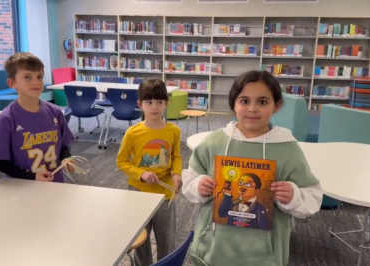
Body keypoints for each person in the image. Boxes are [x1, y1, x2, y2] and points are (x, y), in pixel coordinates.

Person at [181, 70, 323, 266]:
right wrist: (198, 186)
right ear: (234, 104)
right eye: (244, 101)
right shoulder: (215, 142)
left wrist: (293, 196)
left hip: (264, 257)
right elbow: (190, 177)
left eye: (262, 102)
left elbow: (313, 195)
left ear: (277, 106)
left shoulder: (287, 148)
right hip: (214, 250)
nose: (253, 109)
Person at [116, 79, 182, 266]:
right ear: (140, 104)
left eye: (159, 102)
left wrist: (177, 173)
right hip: (138, 193)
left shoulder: (173, 130)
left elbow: (176, 156)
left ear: (166, 103)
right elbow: (121, 162)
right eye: (149, 102)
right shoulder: (132, 133)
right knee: (140, 242)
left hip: (165, 194)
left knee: (166, 240)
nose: (154, 107)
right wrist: (141, 173)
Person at [0, 52, 74, 182]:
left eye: (39, 77)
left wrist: (66, 158)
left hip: (55, 183)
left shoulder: (55, 112)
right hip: (23, 186)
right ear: (12, 83)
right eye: (27, 77)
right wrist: (31, 176)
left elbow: (63, 146)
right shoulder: (6, 119)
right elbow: (0, 162)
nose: (36, 82)